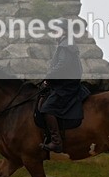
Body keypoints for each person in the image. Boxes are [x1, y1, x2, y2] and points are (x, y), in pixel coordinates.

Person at [38, 19, 89, 153]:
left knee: (47, 109)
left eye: (56, 30)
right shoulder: (66, 44)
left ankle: (56, 142)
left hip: (66, 86)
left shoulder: (65, 45)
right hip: (65, 83)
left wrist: (48, 78)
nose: (53, 33)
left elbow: (62, 65)